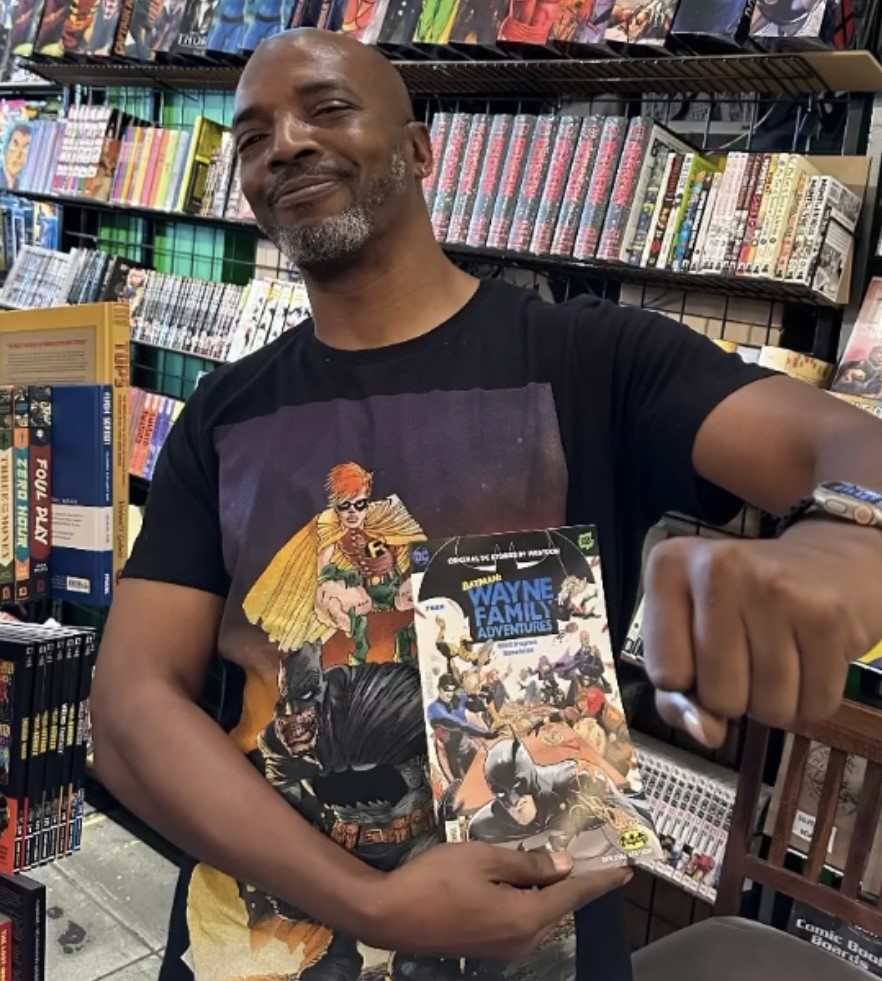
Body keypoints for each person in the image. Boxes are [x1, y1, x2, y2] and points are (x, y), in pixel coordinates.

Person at [90, 26, 882, 981]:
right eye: (253, 136)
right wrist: (373, 904)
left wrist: (845, 539)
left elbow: (851, 447)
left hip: (530, 934)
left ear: (422, 150)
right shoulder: (225, 410)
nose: (286, 144)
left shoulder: (594, 360)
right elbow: (129, 711)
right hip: (259, 941)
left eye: (328, 108)